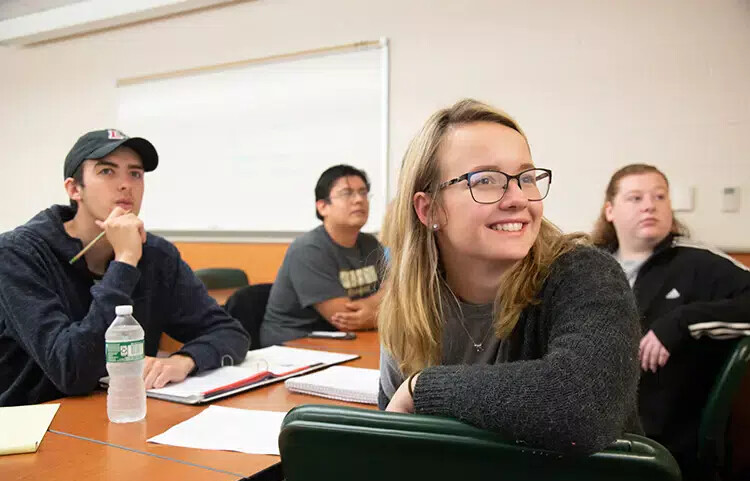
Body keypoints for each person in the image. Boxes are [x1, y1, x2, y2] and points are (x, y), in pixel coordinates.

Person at [378, 99, 642, 455]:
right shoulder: (412, 300)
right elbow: (400, 450)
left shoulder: (586, 274)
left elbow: (584, 404)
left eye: (527, 178)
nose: (518, 198)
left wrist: (421, 388)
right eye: (486, 180)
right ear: (430, 210)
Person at [0, 129, 250, 406]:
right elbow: (73, 371)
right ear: (74, 189)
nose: (125, 185)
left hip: (123, 414)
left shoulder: (157, 255)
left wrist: (186, 360)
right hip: (31, 423)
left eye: (135, 174)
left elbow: (230, 332)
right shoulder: (18, 254)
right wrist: (125, 261)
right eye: (107, 172)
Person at [592, 163, 750, 478]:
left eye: (660, 196)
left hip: (659, 442)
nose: (650, 205)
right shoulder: (590, 265)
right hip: (586, 426)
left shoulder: (696, 262)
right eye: (635, 198)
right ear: (610, 211)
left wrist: (681, 322)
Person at [260, 165, 385, 346]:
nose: (359, 200)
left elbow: (395, 292)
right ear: (323, 206)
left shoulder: (370, 244)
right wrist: (383, 309)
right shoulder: (308, 250)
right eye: (347, 193)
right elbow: (346, 319)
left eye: (363, 193)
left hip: (345, 340)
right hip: (296, 344)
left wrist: (372, 311)